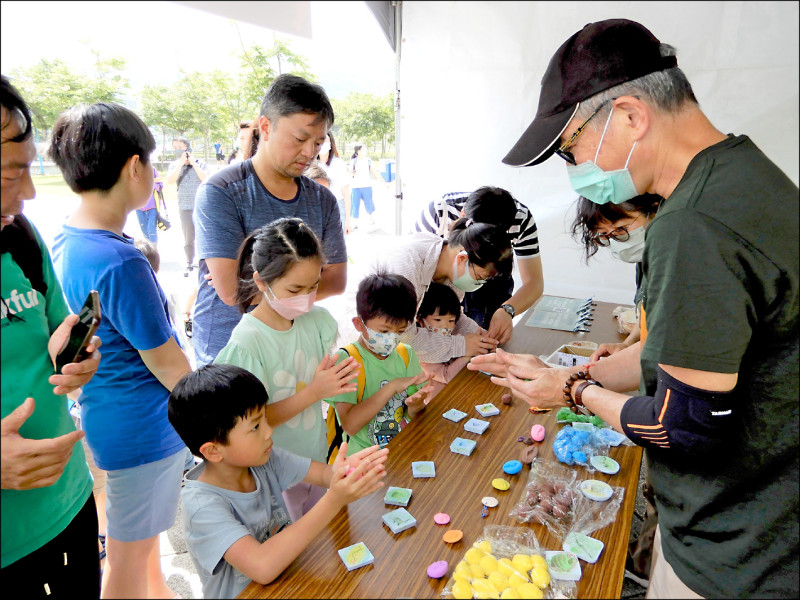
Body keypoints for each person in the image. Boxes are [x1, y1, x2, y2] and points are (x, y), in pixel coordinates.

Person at [474, 18, 798, 598]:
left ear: (630, 115)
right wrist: (571, 373)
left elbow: (687, 427)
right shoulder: (743, 177)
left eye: (571, 148)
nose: (575, 172)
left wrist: (571, 394)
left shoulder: (692, 224)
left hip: (739, 555)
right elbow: (666, 353)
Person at [49, 102, 194, 599]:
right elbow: (169, 362)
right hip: (143, 429)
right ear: (135, 166)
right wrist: (213, 415)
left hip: (109, 420)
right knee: (126, 564)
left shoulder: (69, 240)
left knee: (139, 541)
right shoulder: (120, 260)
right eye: (150, 165)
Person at [1, 73, 103, 599]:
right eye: (7, 175)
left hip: (69, 504)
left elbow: (57, 329)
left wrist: (76, 354)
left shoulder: (18, 236)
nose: (29, 194)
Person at [167, 363, 389, 599]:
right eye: (255, 426)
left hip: (286, 583)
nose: (269, 431)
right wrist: (334, 499)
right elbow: (262, 567)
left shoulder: (264, 458)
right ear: (213, 451)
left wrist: (346, 471)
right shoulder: (202, 506)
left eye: (264, 419)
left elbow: (325, 475)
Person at [193, 74, 347, 367]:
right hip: (228, 353)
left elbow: (337, 280)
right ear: (265, 127)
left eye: (318, 143)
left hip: (290, 350)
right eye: (300, 139)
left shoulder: (322, 199)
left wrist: (266, 285)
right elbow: (230, 293)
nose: (309, 153)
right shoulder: (221, 192)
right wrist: (304, 284)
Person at [213, 218, 360, 522]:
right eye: (295, 289)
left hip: (316, 459)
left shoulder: (318, 322)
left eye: (313, 286)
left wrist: (338, 381)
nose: (306, 299)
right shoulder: (247, 343)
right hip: (273, 473)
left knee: (325, 539)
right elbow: (249, 422)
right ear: (261, 282)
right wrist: (316, 392)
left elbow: (320, 380)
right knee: (292, 554)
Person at [361, 220, 513, 366]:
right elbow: (400, 336)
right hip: (366, 352)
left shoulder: (451, 267)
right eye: (479, 277)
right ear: (462, 258)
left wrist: (480, 336)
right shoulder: (404, 266)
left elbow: (452, 316)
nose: (478, 285)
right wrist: (461, 345)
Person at [414, 186, 544, 343]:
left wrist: (508, 310)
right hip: (440, 285)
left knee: (487, 340)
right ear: (463, 217)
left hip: (494, 281)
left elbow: (534, 282)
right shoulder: (441, 211)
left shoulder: (519, 219)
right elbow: (421, 274)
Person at [325, 272, 434, 456]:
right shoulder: (347, 362)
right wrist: (391, 387)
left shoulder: (405, 354)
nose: (392, 338)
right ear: (359, 324)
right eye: (384, 331)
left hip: (401, 451)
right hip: (362, 461)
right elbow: (350, 426)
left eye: (400, 331)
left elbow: (411, 413)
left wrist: (415, 408)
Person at [570, 193, 661, 362]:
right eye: (605, 235)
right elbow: (648, 308)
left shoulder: (677, 259)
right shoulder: (647, 257)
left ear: (654, 211)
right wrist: (627, 344)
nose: (617, 239)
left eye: (621, 229)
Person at [415, 282, 470, 394]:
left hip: (457, 391)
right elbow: (446, 376)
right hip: (437, 401)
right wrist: (467, 355)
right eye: (438, 320)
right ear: (420, 319)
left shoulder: (451, 338)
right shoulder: (424, 349)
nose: (445, 326)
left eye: (451, 321)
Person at [165, 137, 209, 277]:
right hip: (184, 206)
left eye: (180, 147)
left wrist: (194, 164)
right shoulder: (174, 165)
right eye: (175, 147)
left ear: (188, 148)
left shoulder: (200, 163)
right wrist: (180, 164)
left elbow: (206, 178)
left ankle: (205, 262)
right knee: (188, 236)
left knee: (204, 234)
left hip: (201, 205)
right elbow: (170, 181)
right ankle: (189, 262)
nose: (178, 150)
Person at [316, 132, 349, 234]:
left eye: (325, 140)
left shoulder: (338, 164)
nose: (322, 143)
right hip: (315, 208)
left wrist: (348, 219)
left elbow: (346, 193)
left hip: (336, 207)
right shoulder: (310, 164)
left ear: (331, 143)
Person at [347, 144, 386, 231]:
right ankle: (355, 223)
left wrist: (384, 182)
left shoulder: (368, 161)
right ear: (358, 151)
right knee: (355, 205)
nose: (365, 150)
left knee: (369, 204)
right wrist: (353, 173)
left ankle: (371, 219)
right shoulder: (353, 161)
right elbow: (350, 173)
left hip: (367, 186)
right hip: (356, 187)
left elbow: (375, 172)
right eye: (363, 149)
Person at [134, 166, 162, 246]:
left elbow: (160, 186)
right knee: (144, 231)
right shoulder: (133, 170)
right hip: (139, 207)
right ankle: (149, 251)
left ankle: (153, 252)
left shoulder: (153, 170)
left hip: (152, 206)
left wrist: (151, 183)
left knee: (151, 230)